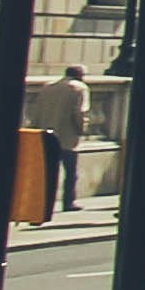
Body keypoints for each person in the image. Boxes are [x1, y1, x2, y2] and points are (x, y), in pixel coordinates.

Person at [33, 63, 91, 217]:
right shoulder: (79, 88)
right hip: (67, 136)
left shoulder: (48, 87)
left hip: (46, 135)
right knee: (71, 172)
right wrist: (82, 130)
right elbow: (80, 113)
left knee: (48, 172)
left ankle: (44, 203)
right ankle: (68, 202)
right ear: (80, 76)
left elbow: (37, 111)